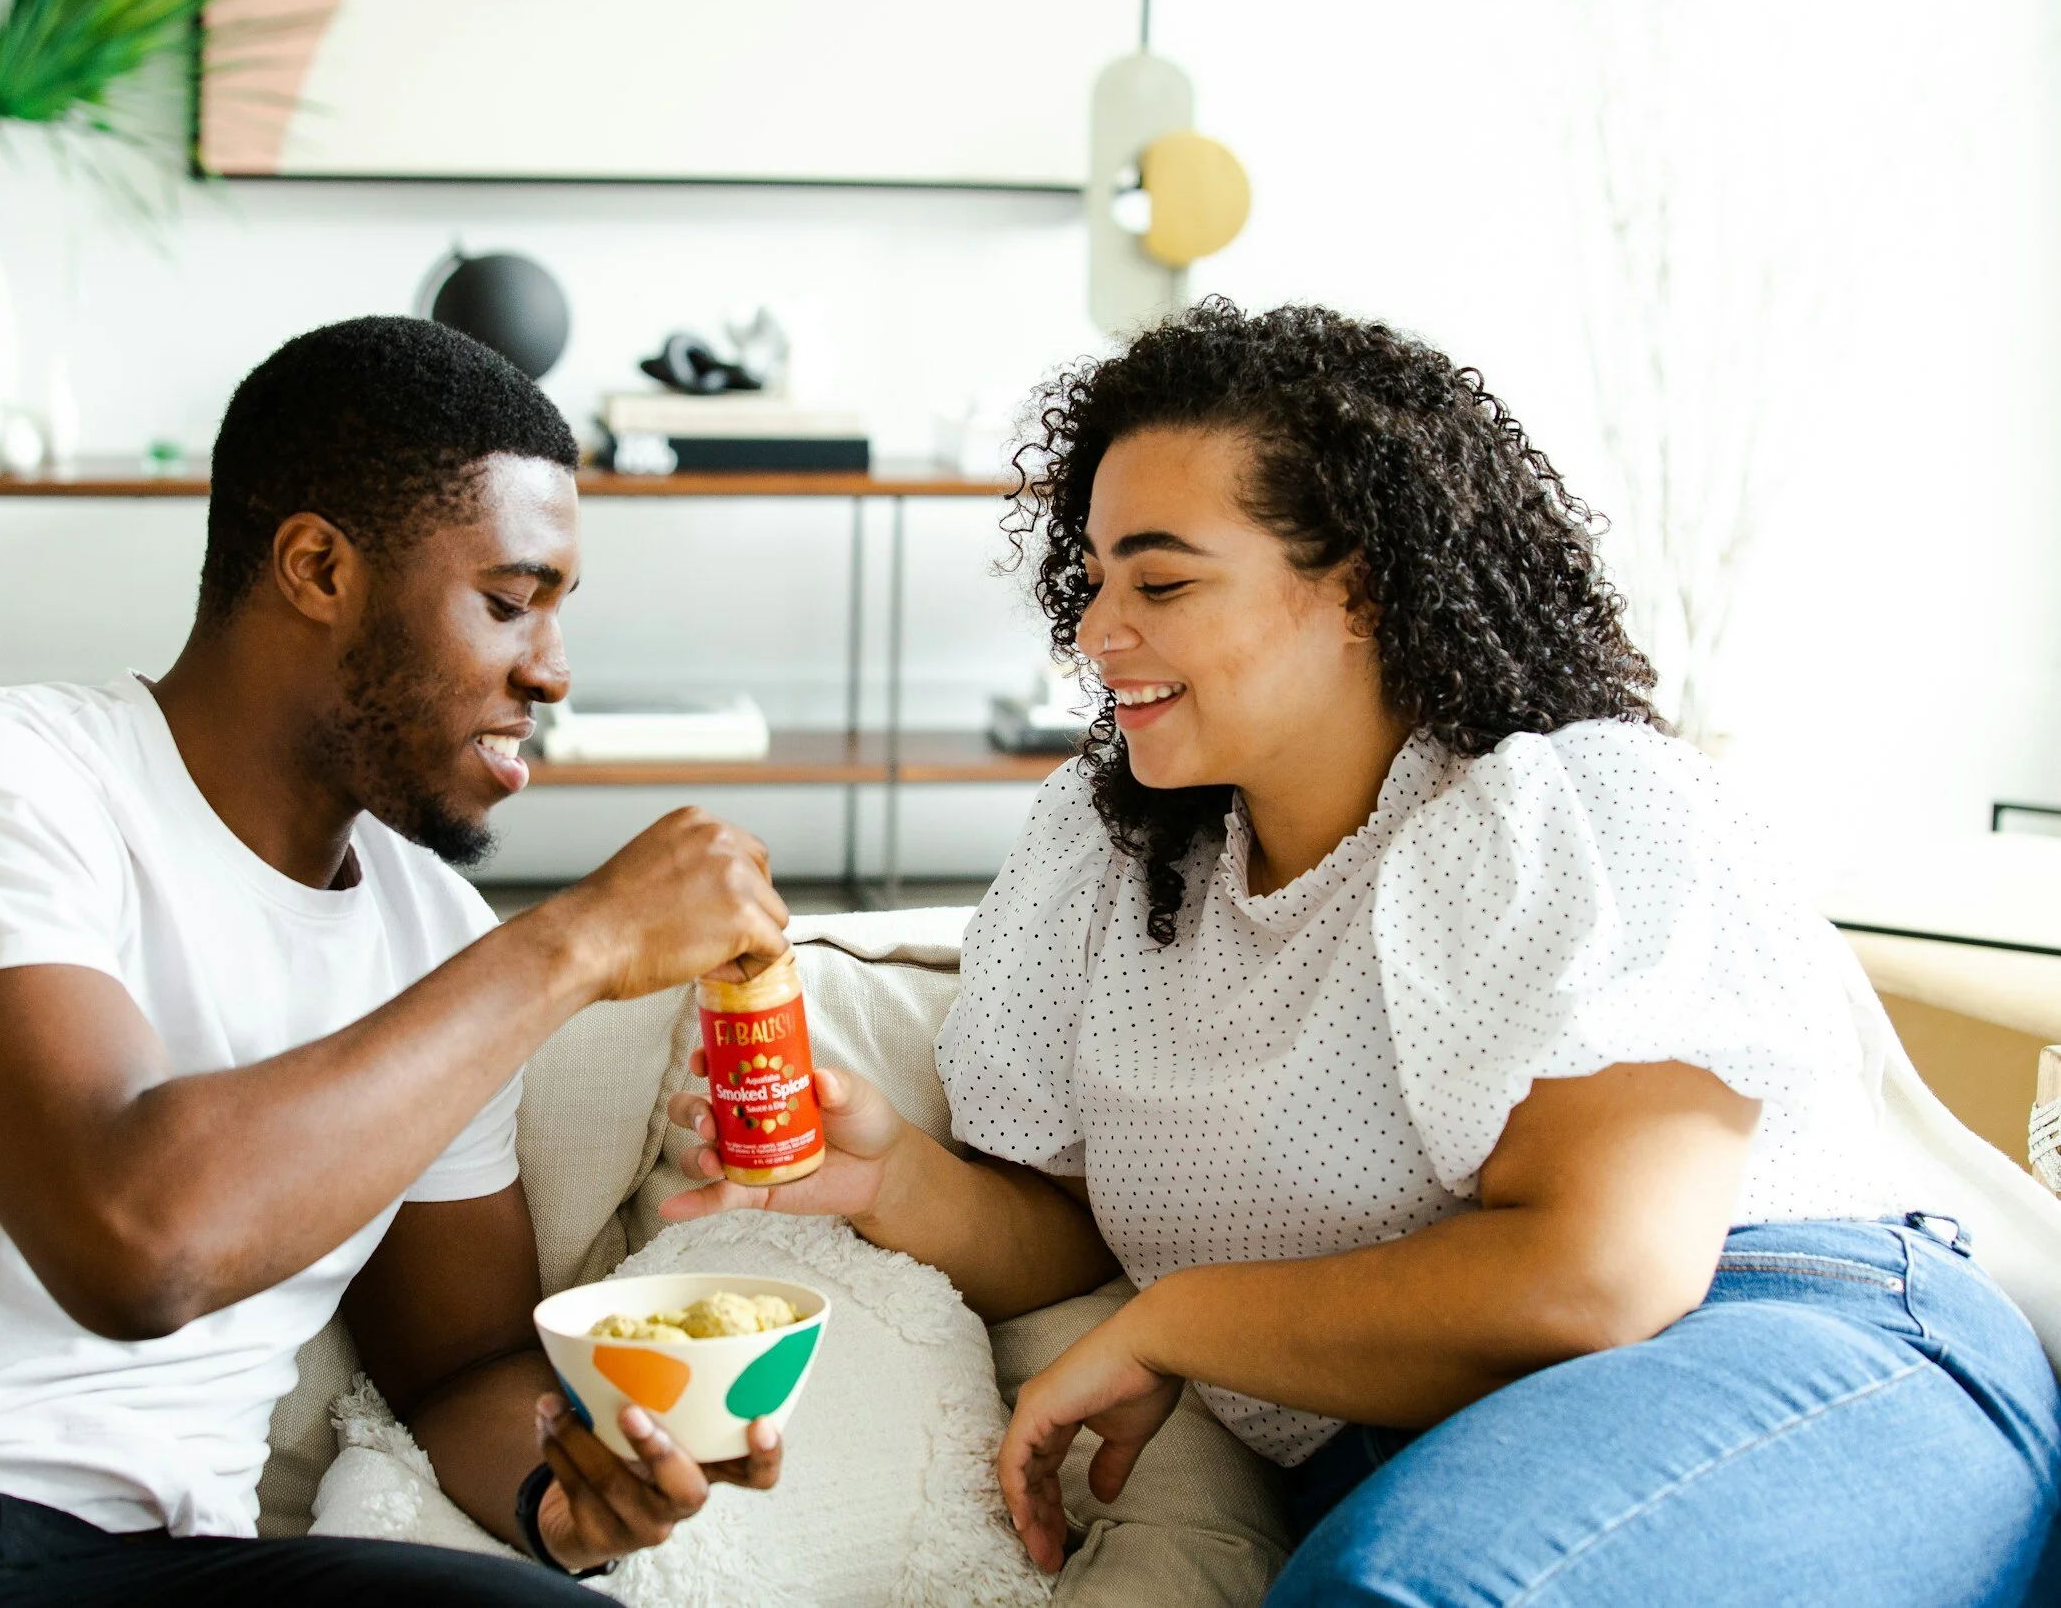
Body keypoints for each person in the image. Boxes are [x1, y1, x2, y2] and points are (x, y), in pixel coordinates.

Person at [664, 301, 2061, 1605]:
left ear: (1363, 589)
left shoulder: (1567, 805)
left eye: (1161, 578)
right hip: (1420, 1461)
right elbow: (1070, 1225)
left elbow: (1605, 1273)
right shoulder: (1109, 864)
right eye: (1091, 580)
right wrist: (896, 1177)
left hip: (1777, 1347)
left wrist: (1186, 1324)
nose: (1096, 630)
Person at [0, 317, 795, 1607]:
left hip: (168, 1573)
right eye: (506, 601)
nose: (549, 670)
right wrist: (581, 938)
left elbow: (458, 1371)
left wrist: (575, 1480)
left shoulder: (435, 941)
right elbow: (133, 1243)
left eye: (555, 611)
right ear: (318, 567)